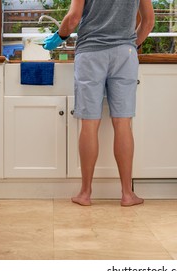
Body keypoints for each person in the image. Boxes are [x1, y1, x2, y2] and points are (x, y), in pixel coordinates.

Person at [43, 0, 155, 207]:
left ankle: (85, 193)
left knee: (89, 123)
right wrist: (130, 44)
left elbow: (73, 18)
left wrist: (60, 36)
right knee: (123, 123)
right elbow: (148, 22)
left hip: (90, 53)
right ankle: (127, 194)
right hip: (125, 54)